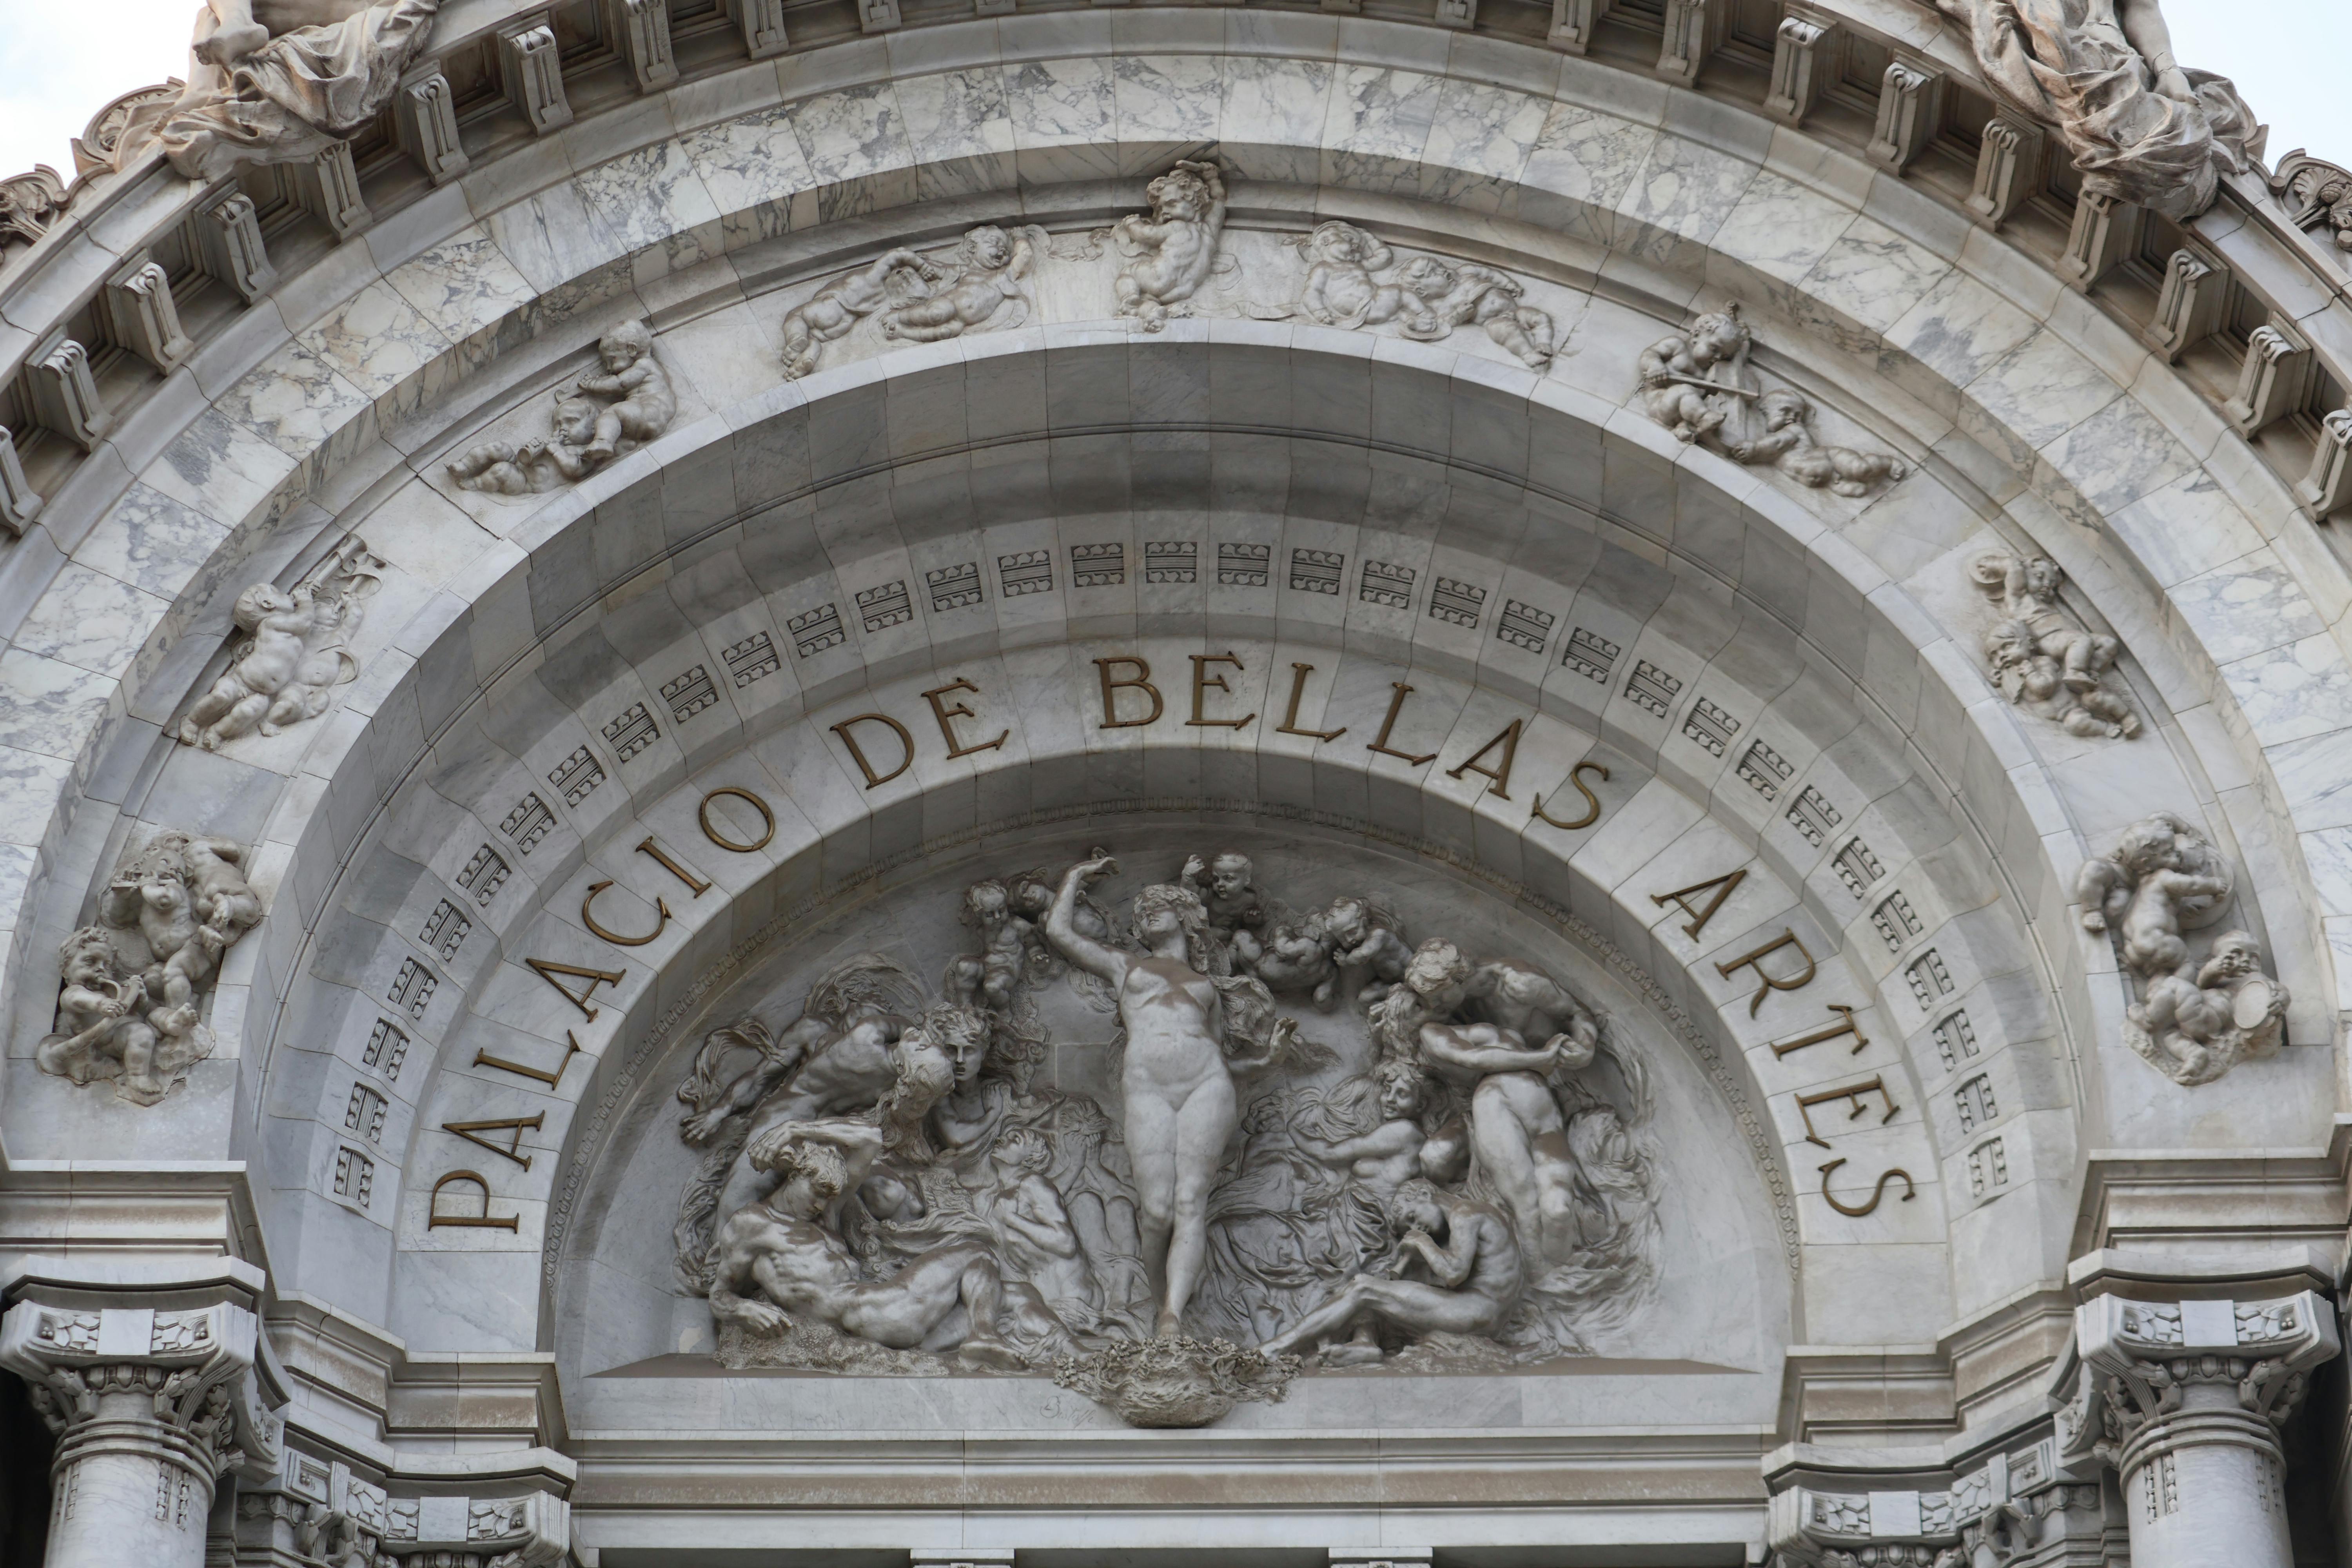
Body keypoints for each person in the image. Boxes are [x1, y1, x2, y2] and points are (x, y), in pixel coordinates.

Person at [1044, 855, 1238, 1337]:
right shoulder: (1125, 965)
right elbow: (1059, 934)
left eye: (1158, 905)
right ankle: (1158, 1304)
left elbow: (1220, 1050)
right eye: (1142, 909)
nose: (1147, 911)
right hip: (1149, 1087)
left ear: (1184, 915)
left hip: (1207, 1084)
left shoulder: (1208, 987)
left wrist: (1273, 1056)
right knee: (1157, 1211)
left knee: (1190, 1200)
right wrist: (1074, 877)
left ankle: (1172, 1315)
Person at [709, 1119, 1071, 1368]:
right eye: (816, 1192)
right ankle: (984, 1336)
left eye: (827, 1197)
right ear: (795, 1175)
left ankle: (1078, 1359)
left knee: (1018, 1295)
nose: (821, 1205)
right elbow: (720, 1293)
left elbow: (870, 1138)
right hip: (880, 1313)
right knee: (978, 1253)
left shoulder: (823, 1219)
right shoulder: (753, 1224)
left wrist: (796, 1129)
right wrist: (743, 1310)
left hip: (886, 1317)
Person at [1257, 1180, 1523, 1362]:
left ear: (1424, 1194)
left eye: (1413, 1217)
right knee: (1373, 1292)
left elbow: (1454, 1273)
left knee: (1364, 1287)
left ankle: (1278, 1347)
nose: (1417, 1227)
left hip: (1477, 1311)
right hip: (1477, 1309)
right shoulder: (1462, 1222)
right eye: (1411, 1226)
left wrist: (1423, 1242)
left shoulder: (1466, 1214)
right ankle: (1365, 1344)